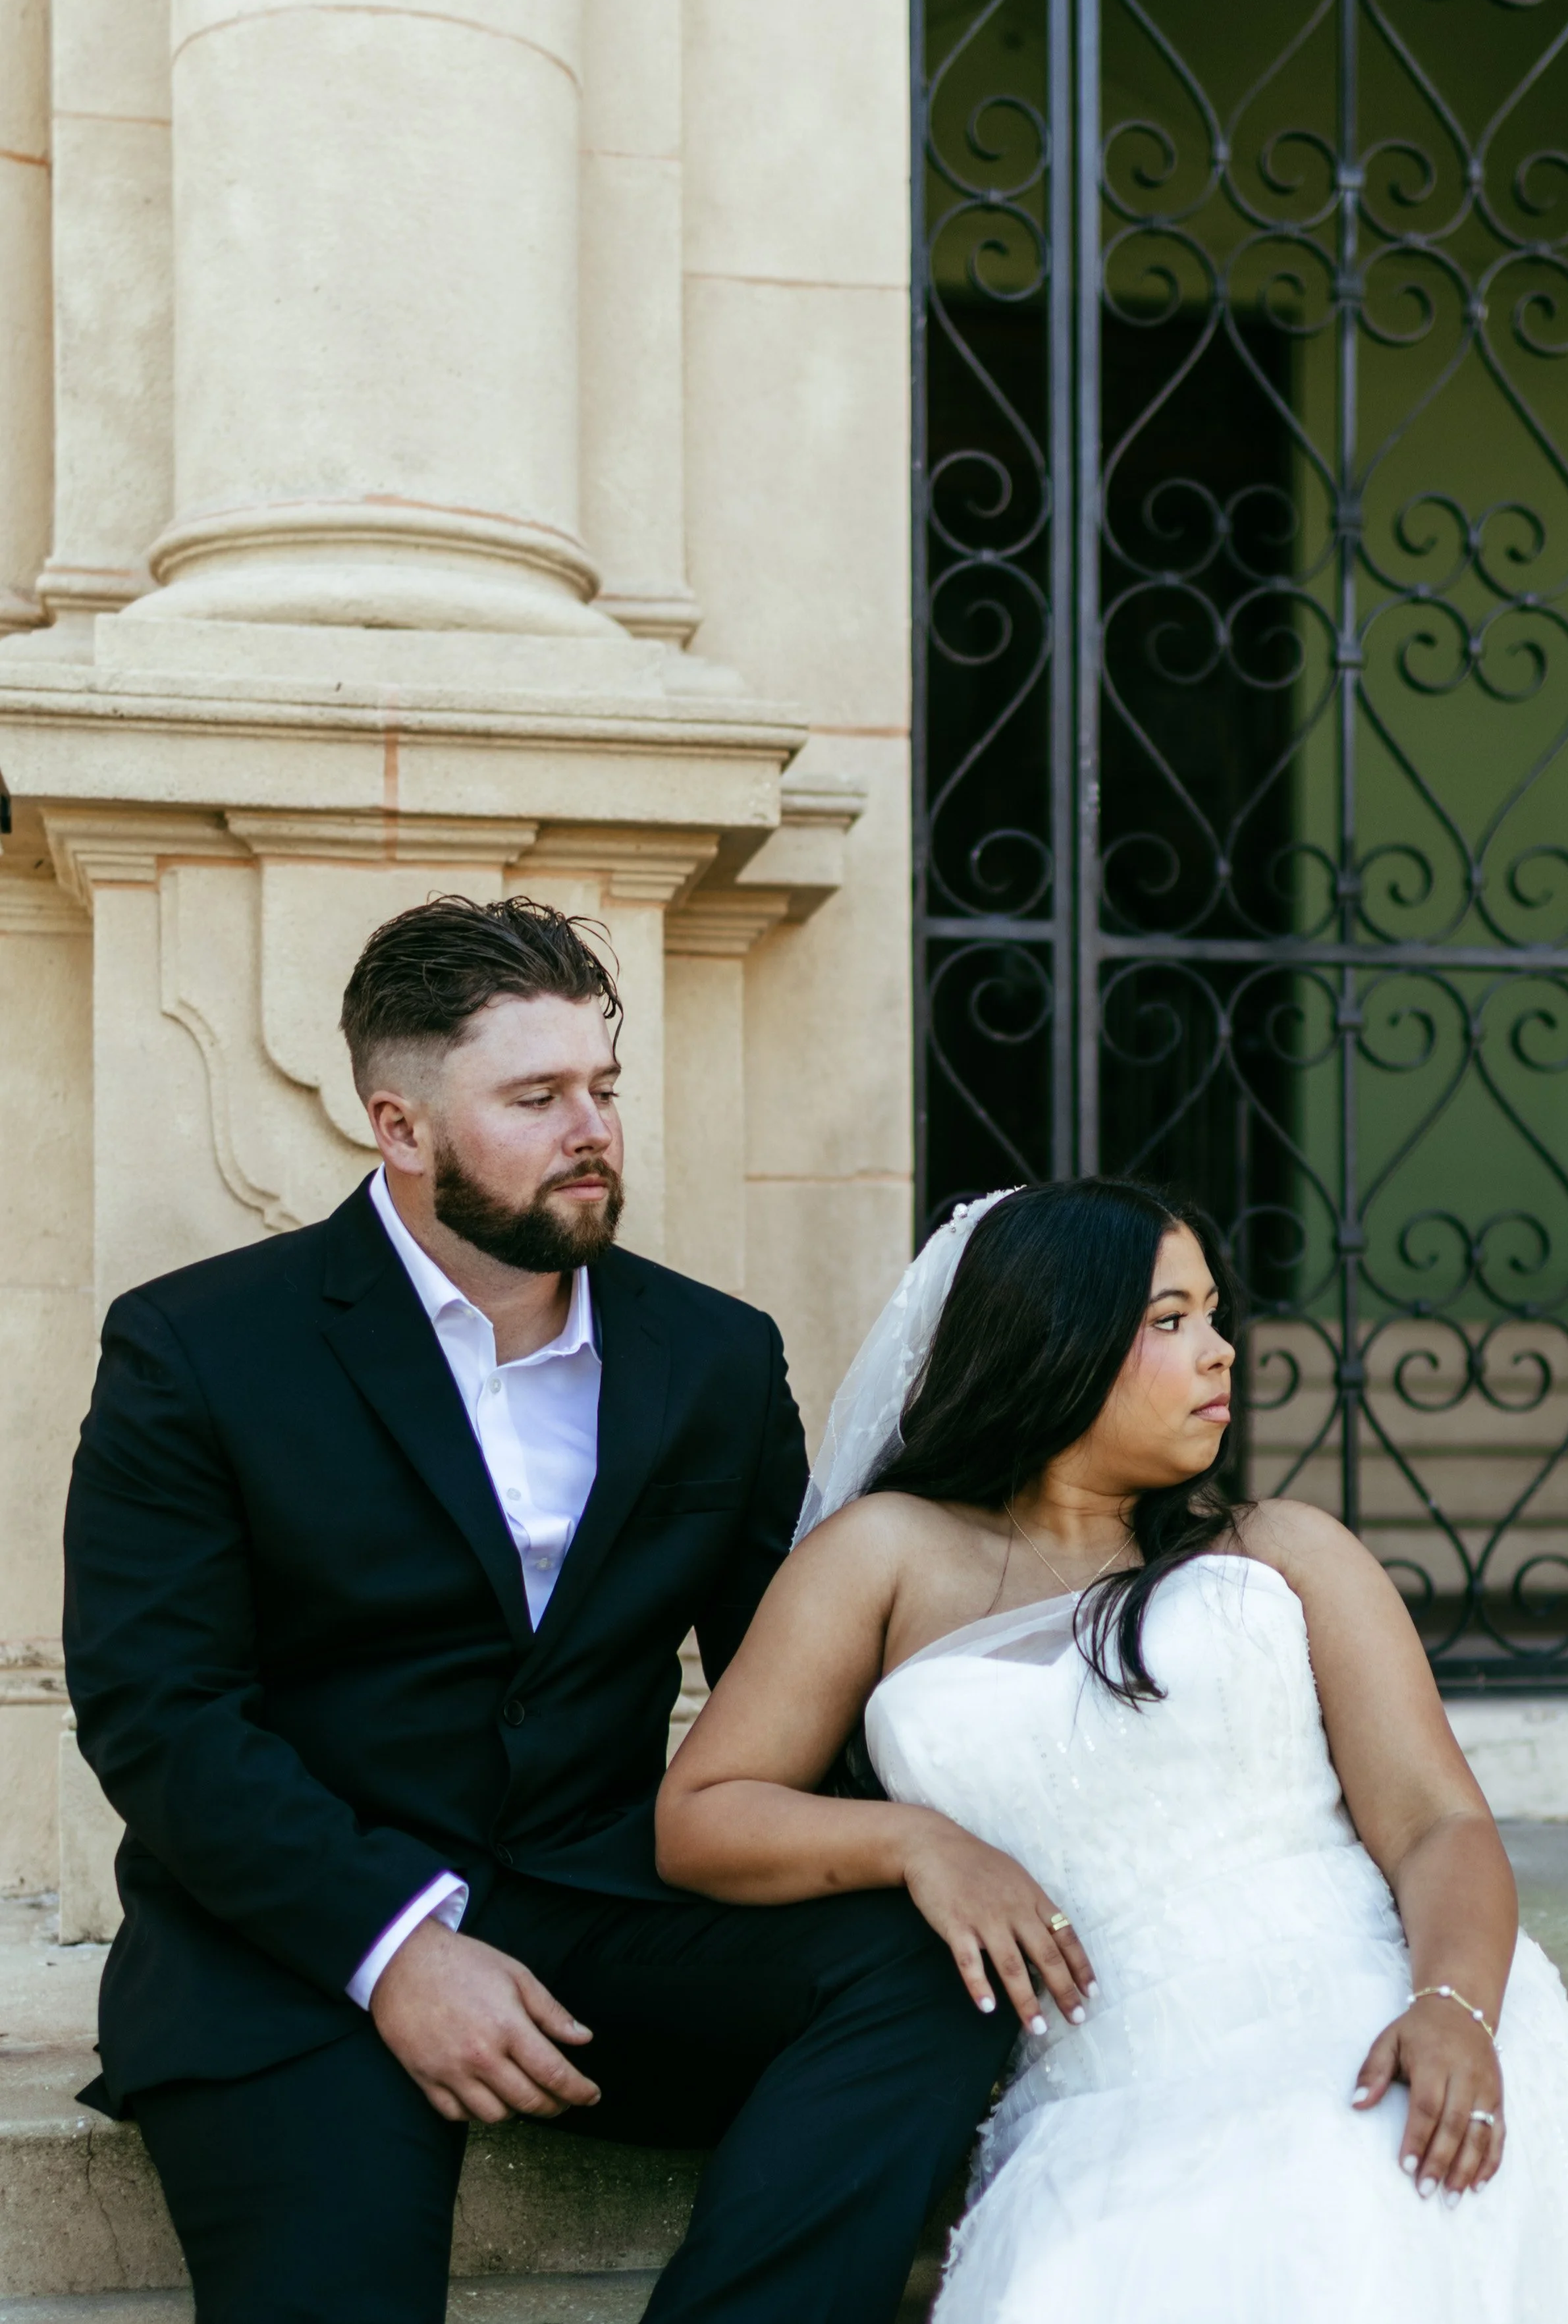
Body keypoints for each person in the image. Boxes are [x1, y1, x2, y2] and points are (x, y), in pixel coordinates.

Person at [62, 895, 1014, 2324]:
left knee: (932, 1974)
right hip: (293, 1945)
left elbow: (789, 1676)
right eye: (537, 1096)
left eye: (605, 1088)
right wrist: (395, 1946)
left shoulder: (709, 1353)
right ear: (400, 1126)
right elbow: (161, 1711)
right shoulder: (198, 1345)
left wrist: (922, 1833)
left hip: (602, 1909)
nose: (595, 1129)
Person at [657, 1178, 1568, 2322]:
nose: (1221, 1351)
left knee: (1347, 2213)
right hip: (1106, 2083)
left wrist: (1457, 2005)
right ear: (1054, 1336)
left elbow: (1438, 1822)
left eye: (1213, 1314)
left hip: (1365, 2013)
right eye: (1170, 1321)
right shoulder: (885, 1556)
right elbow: (702, 1813)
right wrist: (913, 1841)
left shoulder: (1285, 1550)